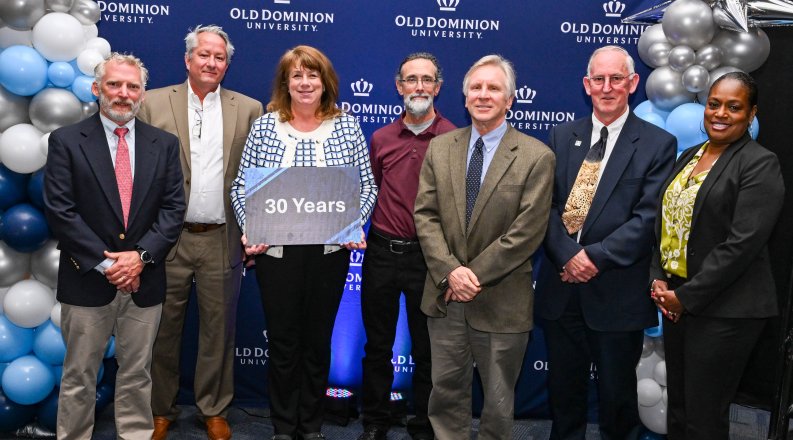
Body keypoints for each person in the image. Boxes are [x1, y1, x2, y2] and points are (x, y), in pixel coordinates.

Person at [229, 45, 377, 440]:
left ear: (325, 82)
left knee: (317, 341)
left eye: (313, 75)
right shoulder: (265, 126)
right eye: (297, 75)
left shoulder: (347, 126)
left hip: (329, 252)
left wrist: (354, 223)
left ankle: (311, 426)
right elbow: (241, 186)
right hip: (277, 252)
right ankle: (283, 426)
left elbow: (366, 186)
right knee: (283, 342)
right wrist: (251, 227)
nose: (305, 83)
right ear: (285, 83)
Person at [534, 45, 676, 440]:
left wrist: (591, 258)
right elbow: (544, 207)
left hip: (616, 292)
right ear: (587, 84)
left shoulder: (657, 143)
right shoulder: (562, 136)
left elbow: (648, 219)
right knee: (564, 395)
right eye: (599, 79)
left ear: (633, 83)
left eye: (616, 79)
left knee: (617, 401)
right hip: (562, 289)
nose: (607, 87)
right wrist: (568, 256)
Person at [43, 53, 185, 440]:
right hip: (86, 279)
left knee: (138, 375)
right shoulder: (66, 141)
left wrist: (140, 257)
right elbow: (61, 211)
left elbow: (173, 209)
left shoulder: (164, 144)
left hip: (145, 279)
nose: (124, 93)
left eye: (132, 86)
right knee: (79, 376)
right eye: (114, 84)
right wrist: (111, 265)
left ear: (143, 94)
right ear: (97, 88)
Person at [413, 54, 555, 440]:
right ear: (465, 97)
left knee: (498, 403)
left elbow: (526, 232)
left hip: (502, 300)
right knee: (445, 395)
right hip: (446, 298)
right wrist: (450, 273)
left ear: (510, 100)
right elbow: (425, 216)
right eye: (476, 87)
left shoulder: (536, 156)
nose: (483, 95)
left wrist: (470, 276)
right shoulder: (440, 148)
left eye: (494, 88)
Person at [137, 25, 263, 440]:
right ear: (187, 59)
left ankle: (214, 408)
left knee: (218, 330)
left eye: (219, 57)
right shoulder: (151, 103)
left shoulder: (250, 109)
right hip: (165, 239)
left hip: (222, 238)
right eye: (204, 54)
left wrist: (256, 229)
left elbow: (258, 178)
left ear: (227, 64)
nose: (211, 62)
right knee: (162, 330)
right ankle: (160, 409)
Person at [650, 72, 784, 439]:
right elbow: (665, 223)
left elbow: (742, 245)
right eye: (714, 104)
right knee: (679, 409)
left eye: (734, 107)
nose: (721, 113)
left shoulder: (760, 163)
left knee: (703, 417)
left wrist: (685, 297)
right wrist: (658, 275)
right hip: (679, 302)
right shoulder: (690, 156)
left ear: (751, 114)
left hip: (727, 309)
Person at [357, 52, 456, 440]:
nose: (419, 87)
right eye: (411, 79)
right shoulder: (380, 138)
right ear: (399, 86)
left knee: (428, 349)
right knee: (377, 345)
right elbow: (372, 191)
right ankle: (375, 421)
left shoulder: (454, 139)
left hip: (428, 258)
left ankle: (424, 425)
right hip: (381, 252)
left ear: (438, 87)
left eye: (427, 80)